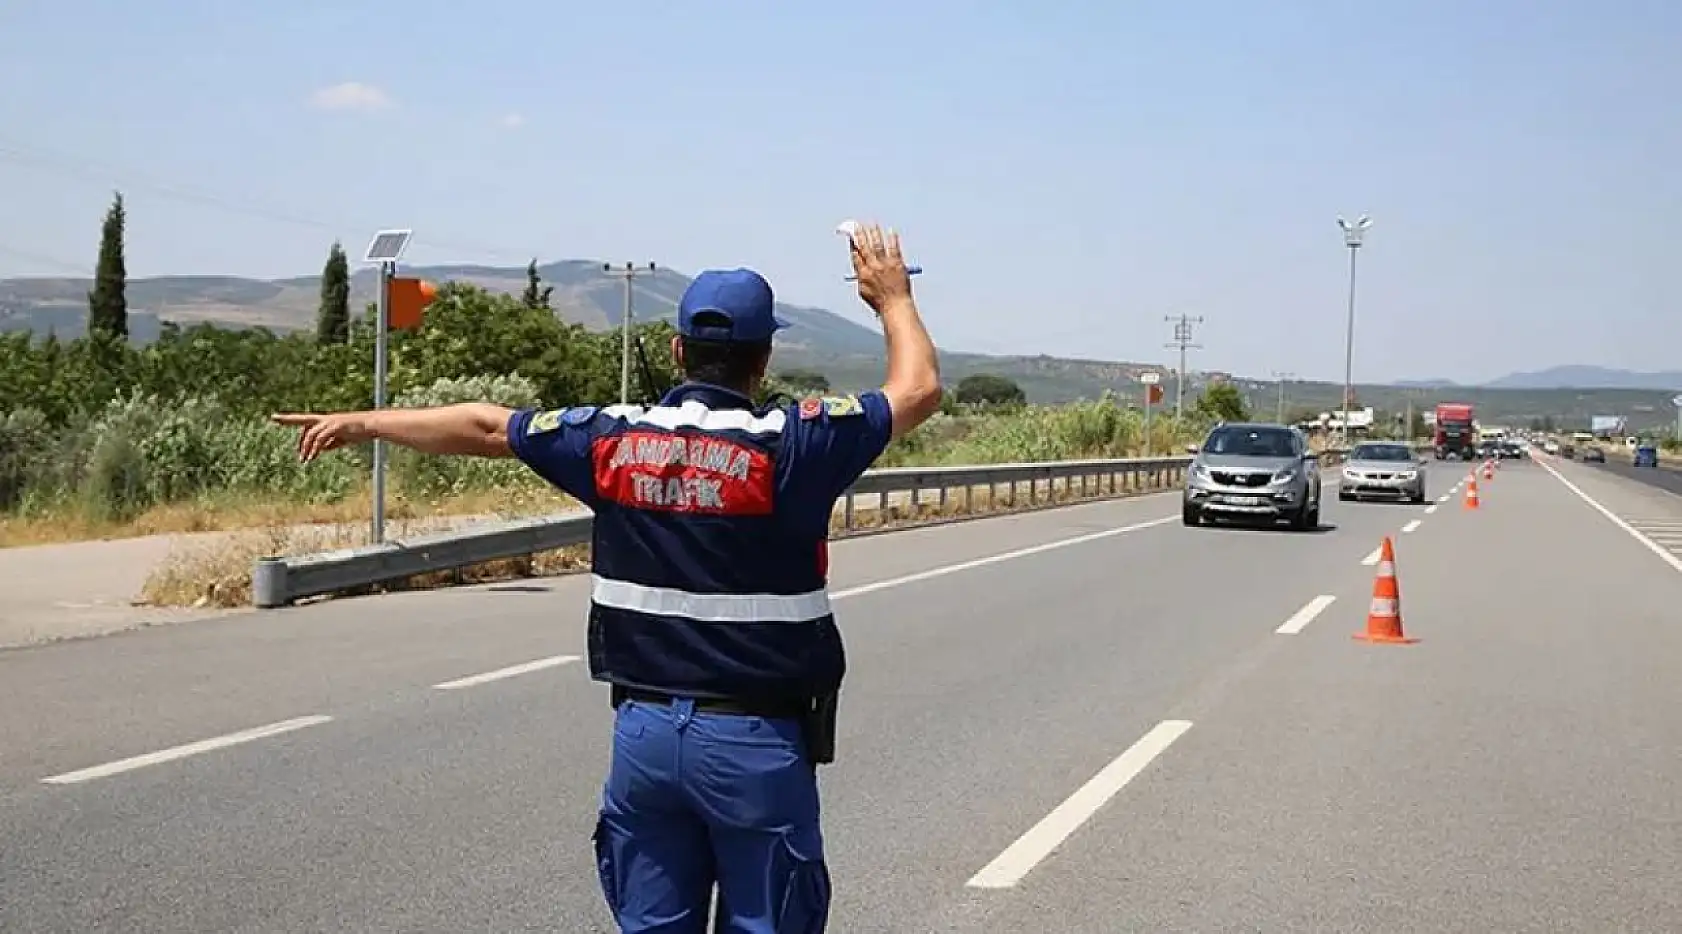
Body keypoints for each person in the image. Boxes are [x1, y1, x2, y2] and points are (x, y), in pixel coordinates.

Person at [272, 223, 942, 932]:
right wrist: (891, 298)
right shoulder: (797, 445)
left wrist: (366, 422)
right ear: (764, 359)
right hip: (755, 746)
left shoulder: (611, 440)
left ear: (680, 351)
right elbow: (918, 389)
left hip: (644, 741)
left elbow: (488, 427)